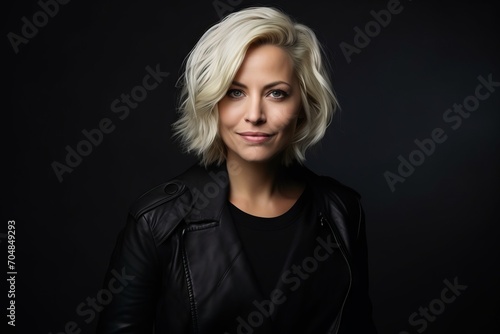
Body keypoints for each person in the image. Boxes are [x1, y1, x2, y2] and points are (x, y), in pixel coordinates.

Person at [97, 6, 377, 334]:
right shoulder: (157, 222)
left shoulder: (342, 211)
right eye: (235, 92)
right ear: (211, 103)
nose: (255, 114)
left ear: (303, 105)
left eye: (276, 93)